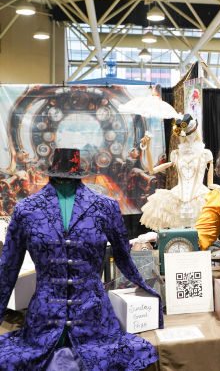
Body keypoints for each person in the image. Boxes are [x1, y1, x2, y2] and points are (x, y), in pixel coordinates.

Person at [0, 148, 162, 370]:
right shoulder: (26, 210)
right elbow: (8, 269)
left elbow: (124, 259)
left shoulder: (106, 207)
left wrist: (151, 293)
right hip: (42, 323)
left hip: (95, 320)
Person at [139, 114, 215, 231]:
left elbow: (210, 185)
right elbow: (152, 170)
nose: (189, 136)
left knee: (200, 233)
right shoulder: (176, 154)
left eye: (191, 133)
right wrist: (147, 147)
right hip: (178, 198)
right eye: (187, 133)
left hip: (200, 198)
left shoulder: (205, 153)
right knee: (181, 235)